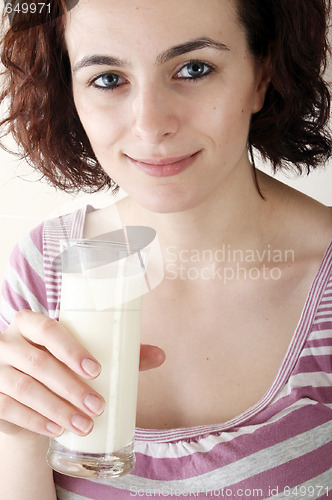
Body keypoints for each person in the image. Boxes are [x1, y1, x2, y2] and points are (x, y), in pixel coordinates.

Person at [0, 0, 331, 498]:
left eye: (194, 69)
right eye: (108, 79)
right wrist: (19, 436)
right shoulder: (43, 271)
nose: (151, 125)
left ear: (262, 75)